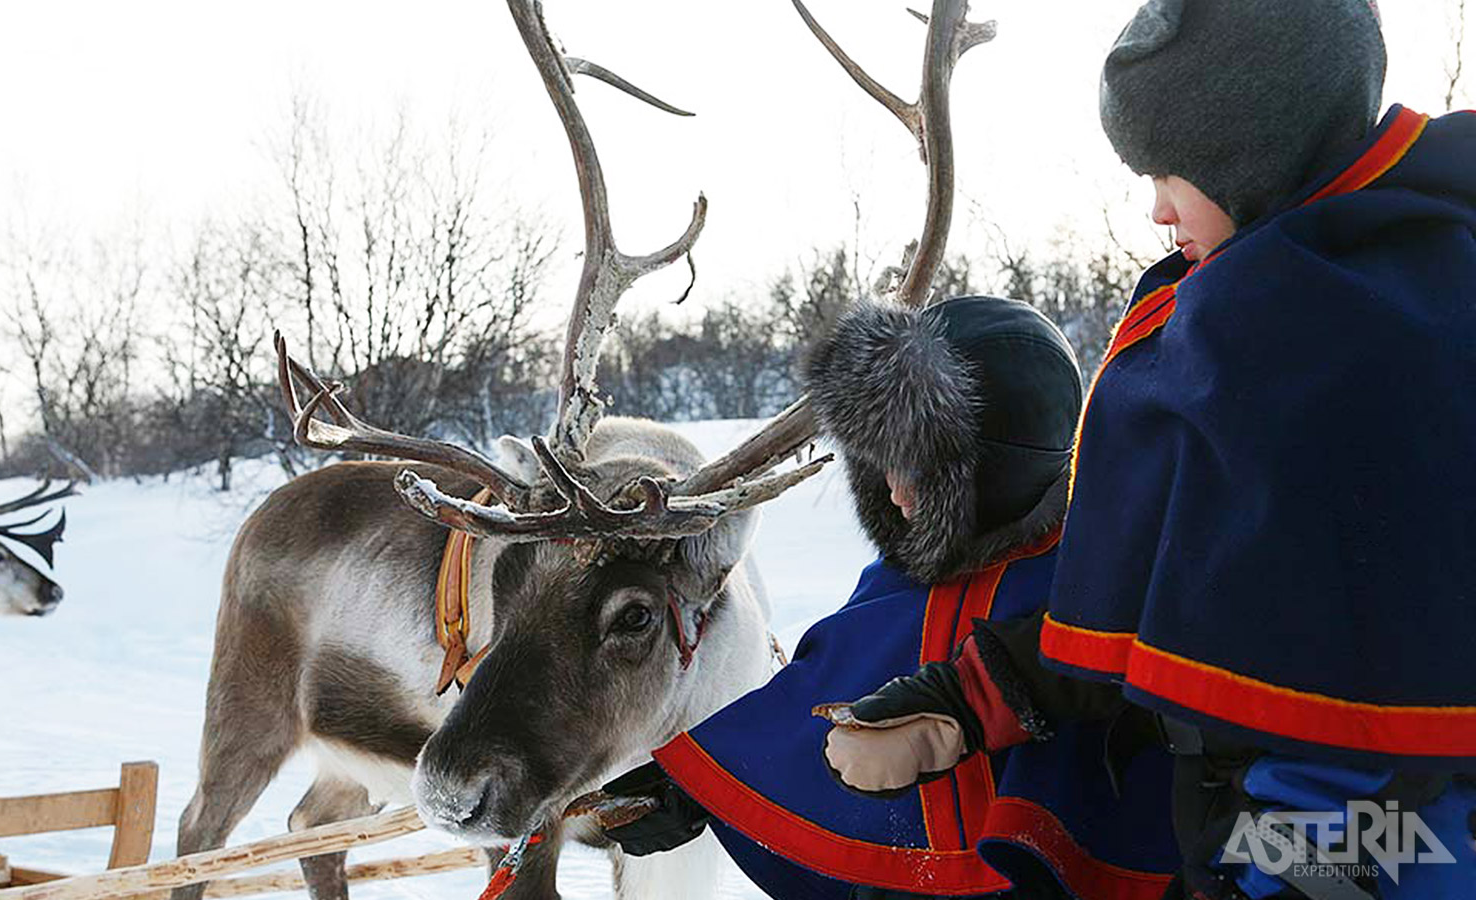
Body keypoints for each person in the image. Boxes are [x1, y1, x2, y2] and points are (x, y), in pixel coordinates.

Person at [824, 2, 1476, 898]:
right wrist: (979, 695)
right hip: (1249, 828)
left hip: (1379, 839)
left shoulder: (1350, 344)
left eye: (1173, 170)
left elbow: (1360, 689)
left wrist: (1314, 873)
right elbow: (1205, 593)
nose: (1157, 206)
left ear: (1252, 153)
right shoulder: (1287, 311)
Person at [599, 295, 1180, 899]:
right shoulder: (905, 577)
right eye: (882, 468)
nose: (897, 497)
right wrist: (696, 787)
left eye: (921, 472)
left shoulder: (1098, 580)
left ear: (997, 467)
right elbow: (821, 696)